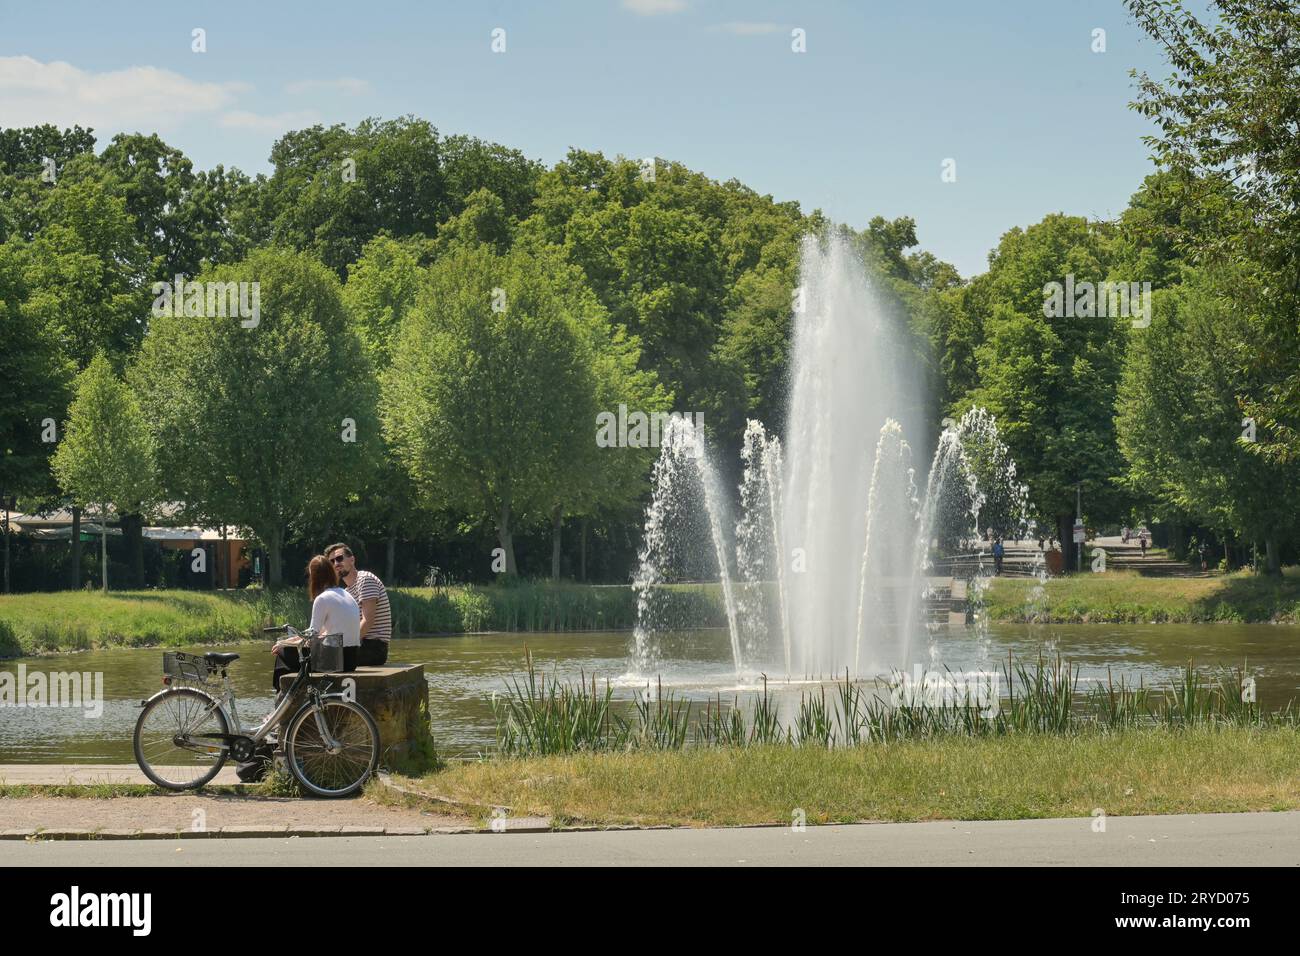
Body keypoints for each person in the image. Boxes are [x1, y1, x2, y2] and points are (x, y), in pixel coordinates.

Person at [271, 555, 361, 690]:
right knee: (289, 650)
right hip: (351, 659)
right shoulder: (346, 594)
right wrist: (292, 640)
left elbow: (311, 637)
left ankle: (281, 698)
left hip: (335, 660)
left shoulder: (322, 599)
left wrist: (284, 644)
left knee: (282, 654)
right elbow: (319, 632)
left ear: (314, 577)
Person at [326, 543, 391, 666]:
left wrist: (342, 646)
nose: (336, 564)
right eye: (332, 561)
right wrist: (299, 640)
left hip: (373, 648)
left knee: (318, 659)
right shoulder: (346, 592)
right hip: (359, 644)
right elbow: (333, 626)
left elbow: (368, 620)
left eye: (339, 558)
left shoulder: (365, 580)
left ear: (352, 560)